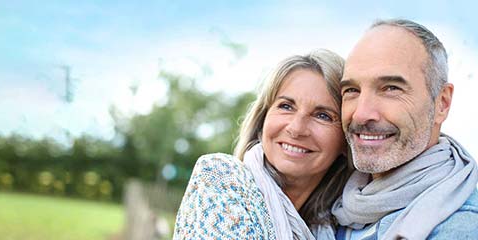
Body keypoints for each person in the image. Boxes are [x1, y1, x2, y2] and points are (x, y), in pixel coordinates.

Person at [173, 49, 352, 239]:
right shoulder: (221, 177)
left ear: (346, 139)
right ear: (263, 119)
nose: (296, 128)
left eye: (322, 115)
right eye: (286, 106)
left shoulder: (340, 227)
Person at [331, 19, 478, 239]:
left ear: (442, 103)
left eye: (391, 88)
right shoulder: (332, 206)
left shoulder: (462, 228)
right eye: (352, 90)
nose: (361, 113)